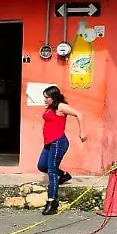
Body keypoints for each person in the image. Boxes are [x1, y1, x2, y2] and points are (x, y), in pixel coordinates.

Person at [37, 85, 87, 216]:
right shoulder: (50, 107)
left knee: (52, 171)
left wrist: (82, 132)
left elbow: (79, 114)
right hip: (49, 143)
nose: (45, 100)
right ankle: (64, 175)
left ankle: (52, 202)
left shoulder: (61, 106)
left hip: (58, 142)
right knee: (42, 166)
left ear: (54, 97)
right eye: (45, 97)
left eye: (47, 97)